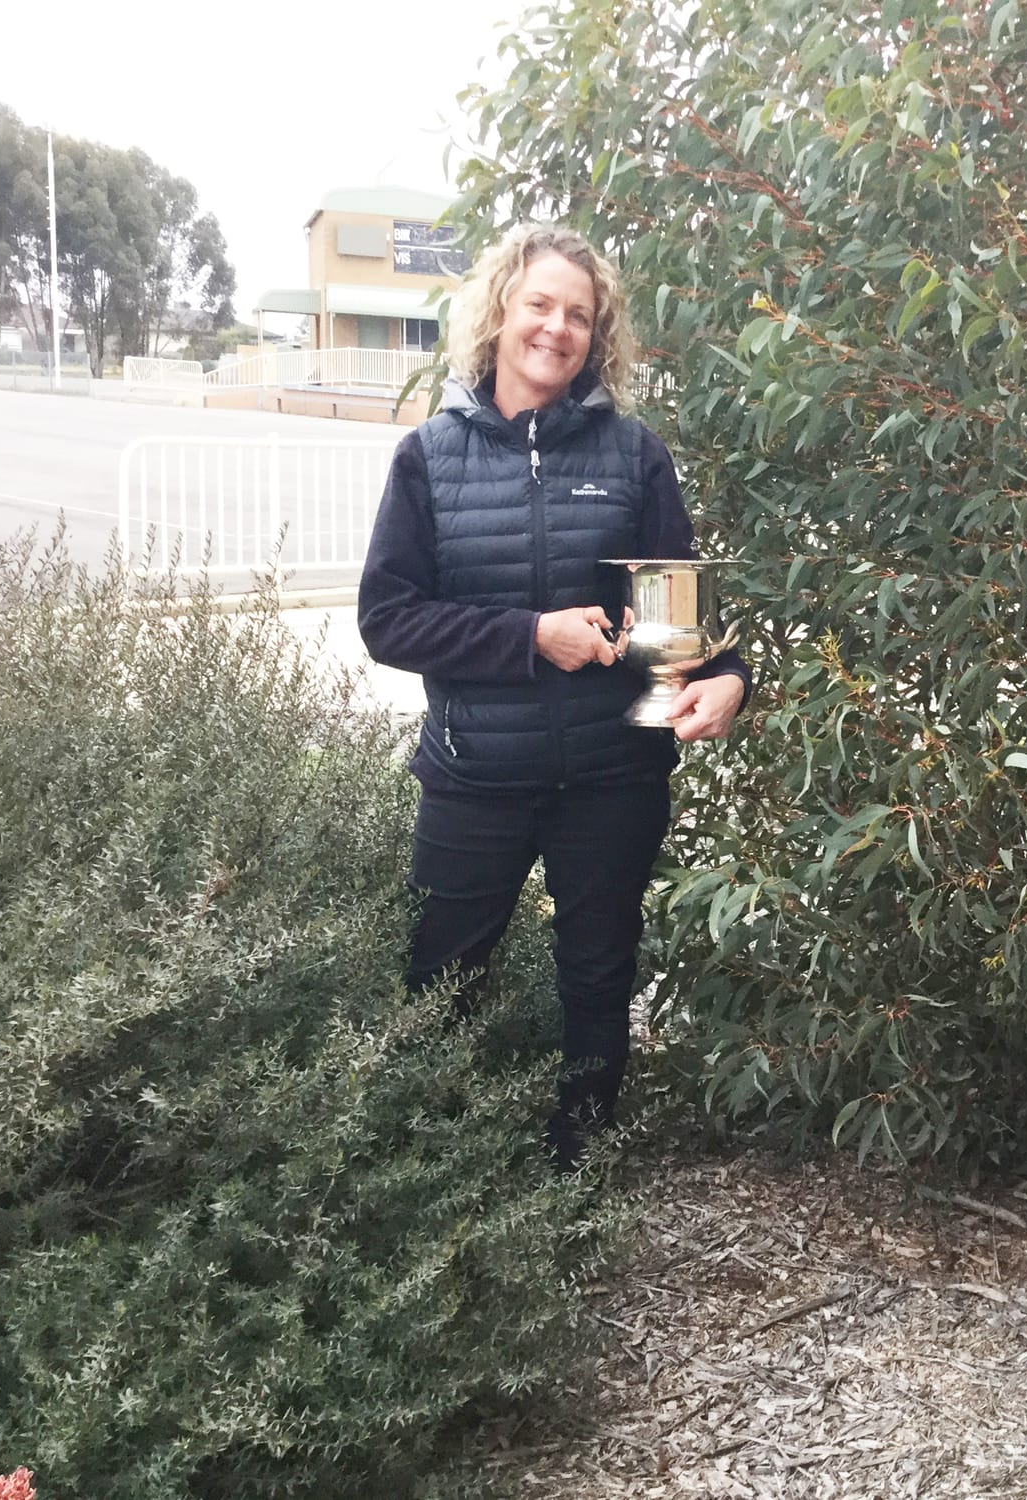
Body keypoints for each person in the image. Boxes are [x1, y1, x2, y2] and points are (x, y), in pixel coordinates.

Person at [358, 222, 749, 1169]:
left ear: (596, 335)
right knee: (441, 980)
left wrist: (728, 681)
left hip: (614, 775)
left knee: (598, 978)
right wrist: (531, 637)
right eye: (540, 304)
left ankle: (577, 1174)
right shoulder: (431, 458)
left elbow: (677, 623)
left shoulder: (632, 455)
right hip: (476, 777)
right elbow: (389, 619)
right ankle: (426, 1172)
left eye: (579, 314)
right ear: (500, 312)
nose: (557, 328)